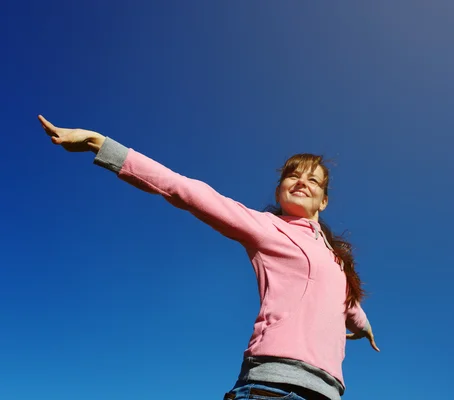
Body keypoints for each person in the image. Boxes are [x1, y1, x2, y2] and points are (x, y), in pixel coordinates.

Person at [38, 115, 379, 400]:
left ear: (324, 201)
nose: (302, 181)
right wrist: (101, 144)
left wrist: (365, 329)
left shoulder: (336, 261)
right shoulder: (265, 227)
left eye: (313, 180)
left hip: (328, 393)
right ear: (279, 191)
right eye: (293, 174)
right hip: (272, 388)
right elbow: (185, 190)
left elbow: (348, 305)